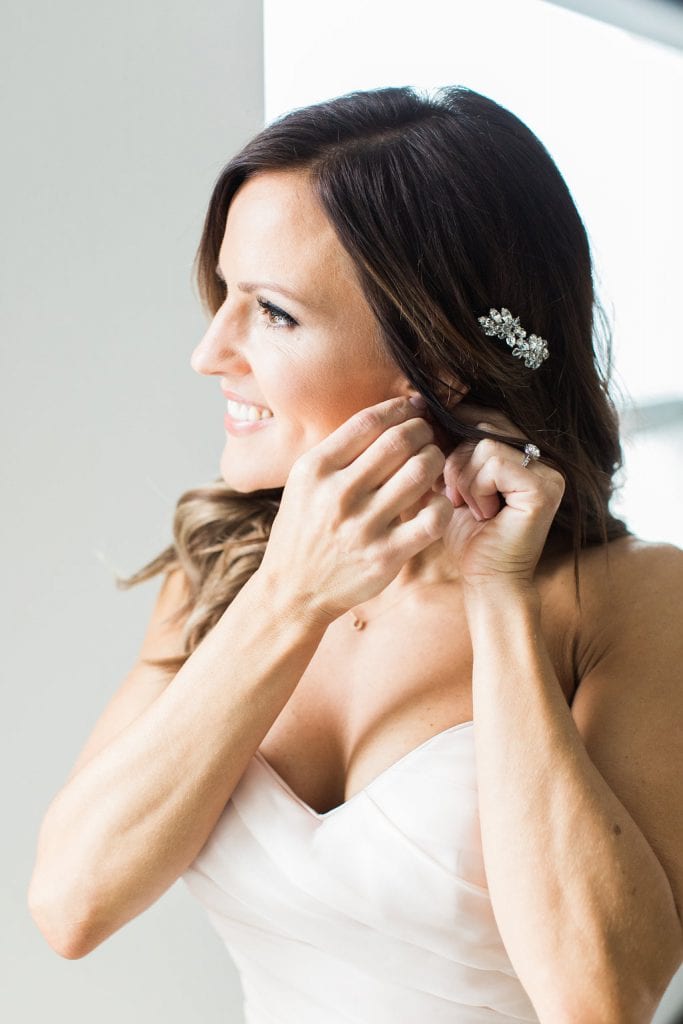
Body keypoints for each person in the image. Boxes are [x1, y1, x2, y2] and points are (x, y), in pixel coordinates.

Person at [29, 85, 682, 1023]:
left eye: (274, 314)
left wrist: (498, 601)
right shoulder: (219, 565)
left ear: (443, 359)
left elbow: (603, 997)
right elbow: (72, 903)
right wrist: (286, 599)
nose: (211, 350)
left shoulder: (632, 601)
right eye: (224, 297)